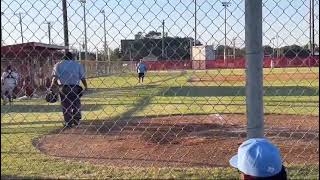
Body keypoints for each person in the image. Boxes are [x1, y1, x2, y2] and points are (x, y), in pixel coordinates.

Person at [50, 52, 88, 128]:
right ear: (72, 58)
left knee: (66, 105)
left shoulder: (58, 64)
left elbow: (55, 78)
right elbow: (82, 78)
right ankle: (76, 118)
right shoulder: (77, 64)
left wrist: (51, 88)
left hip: (63, 87)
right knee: (76, 102)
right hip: (75, 87)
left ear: (63, 58)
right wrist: (86, 86)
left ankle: (68, 122)